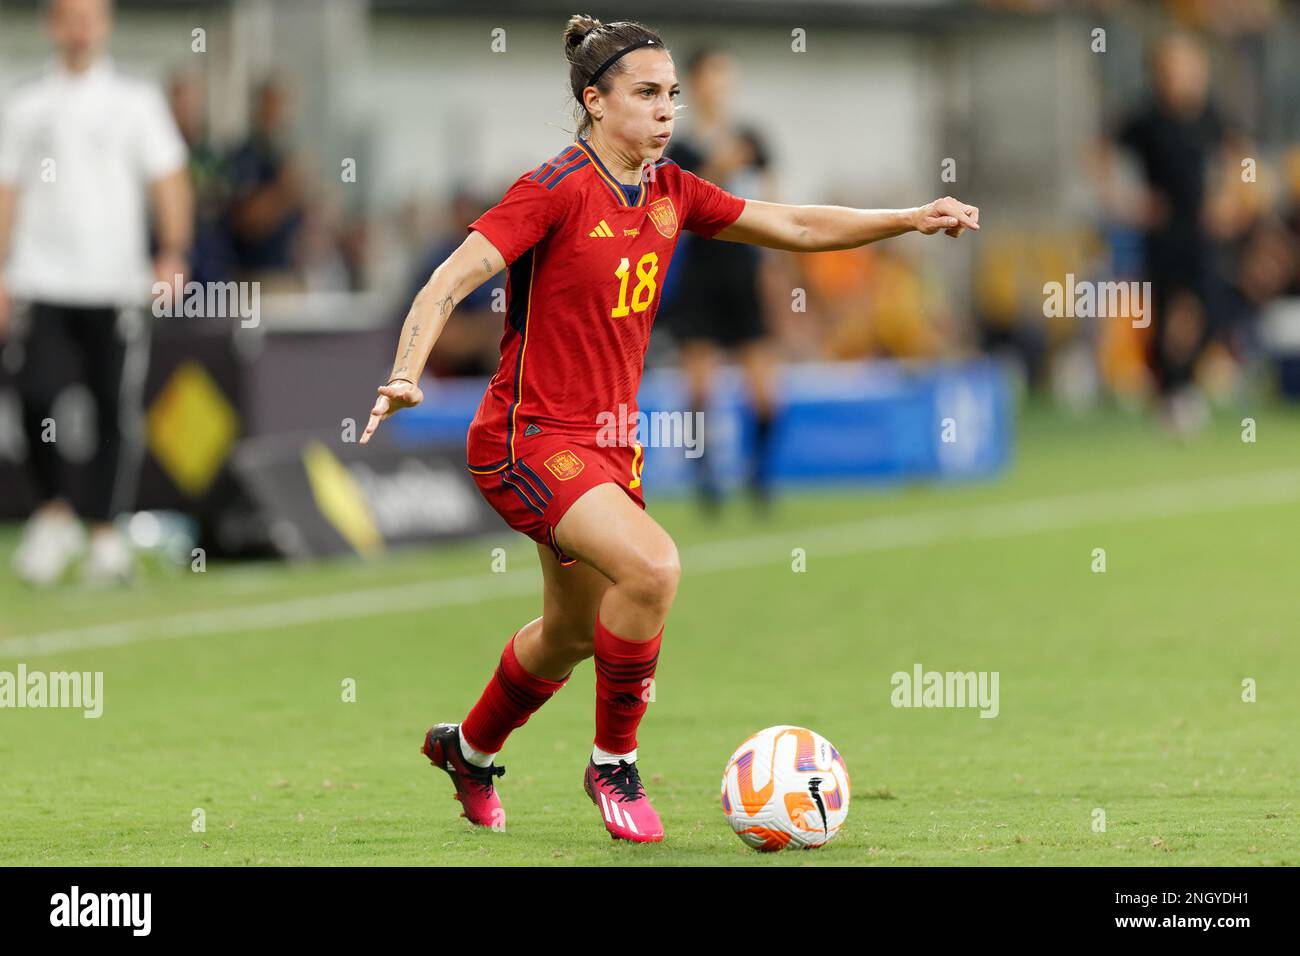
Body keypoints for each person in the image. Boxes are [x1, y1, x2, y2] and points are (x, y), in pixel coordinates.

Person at [360, 14, 978, 843]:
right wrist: (406, 372)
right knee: (652, 568)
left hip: (609, 448)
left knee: (571, 635)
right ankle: (613, 762)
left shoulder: (670, 191)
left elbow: (792, 226)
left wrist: (909, 216)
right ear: (595, 101)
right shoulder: (552, 188)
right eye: (647, 94)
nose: (666, 111)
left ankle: (467, 750)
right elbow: (447, 281)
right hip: (529, 438)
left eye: (672, 96)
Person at [0, 0, 191, 586]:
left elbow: (168, 178)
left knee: (114, 407)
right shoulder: (26, 102)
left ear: (105, 24)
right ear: (52, 26)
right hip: (42, 279)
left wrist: (172, 251)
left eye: (91, 17)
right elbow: (8, 187)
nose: (81, 29)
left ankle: (106, 535)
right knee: (33, 396)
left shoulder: (135, 102)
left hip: (114, 284)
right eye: (69, 17)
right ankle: (54, 513)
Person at [659, 46, 780, 513]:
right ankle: (706, 478)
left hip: (743, 270)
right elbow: (681, 201)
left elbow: (775, 200)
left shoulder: (751, 137)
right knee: (700, 388)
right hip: (702, 274)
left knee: (766, 393)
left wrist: (775, 265)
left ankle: (760, 474)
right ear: (695, 81)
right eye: (713, 74)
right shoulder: (682, 145)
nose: (722, 83)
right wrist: (721, 167)